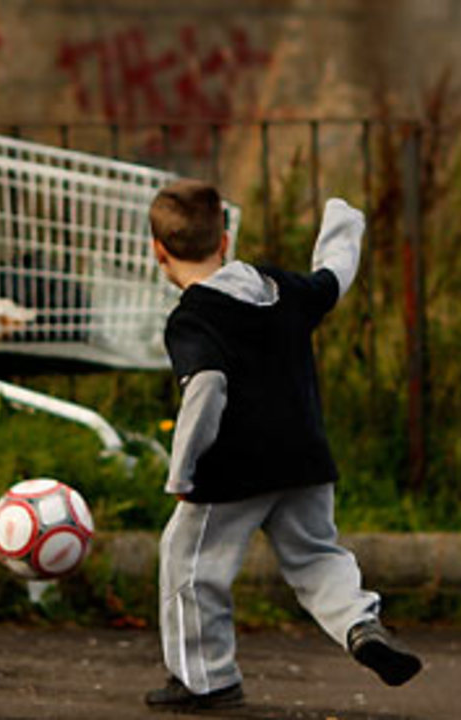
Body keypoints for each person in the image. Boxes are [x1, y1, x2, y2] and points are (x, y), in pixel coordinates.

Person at [143, 179, 422, 711]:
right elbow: (333, 277)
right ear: (225, 239)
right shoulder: (278, 287)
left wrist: (182, 475)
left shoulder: (193, 318)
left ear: (158, 252)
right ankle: (361, 626)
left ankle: (206, 679)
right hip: (304, 459)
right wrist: (343, 220)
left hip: (232, 472)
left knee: (189, 563)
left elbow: (206, 389)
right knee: (317, 557)